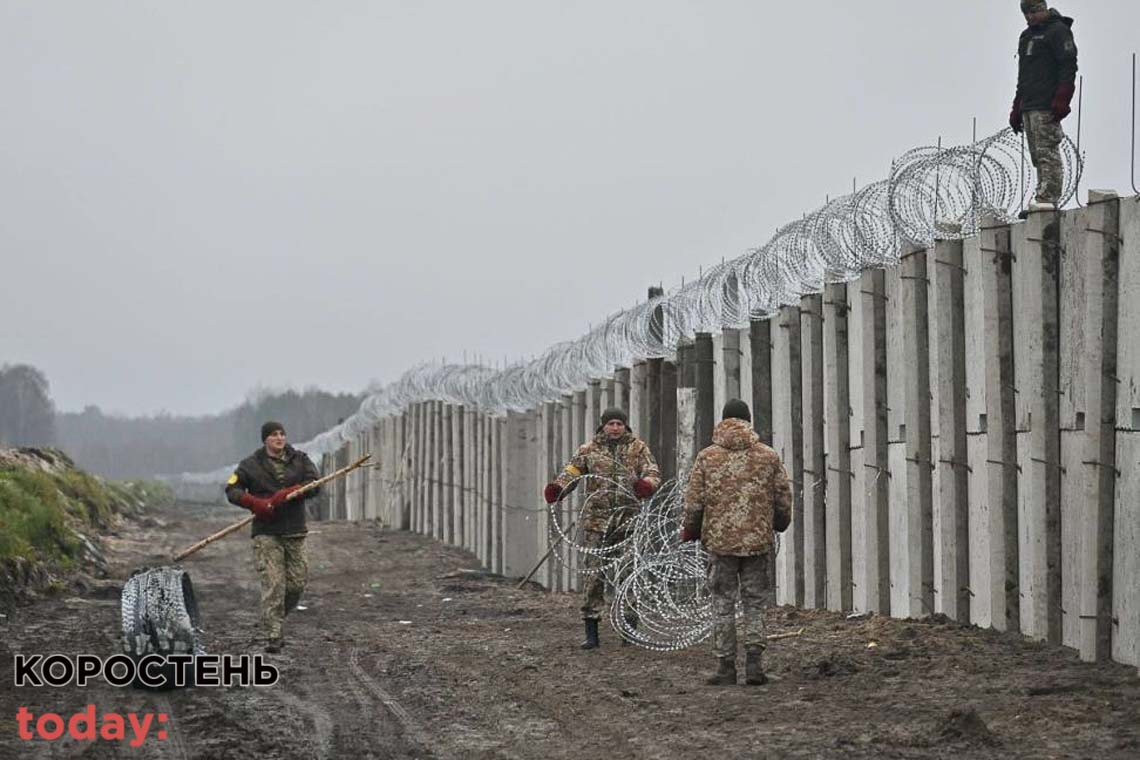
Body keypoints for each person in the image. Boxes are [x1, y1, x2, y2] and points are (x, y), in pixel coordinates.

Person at [681, 399, 792, 686]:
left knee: (722, 602)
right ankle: (754, 665)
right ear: (748, 421)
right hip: (757, 542)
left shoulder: (708, 457)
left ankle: (725, 666)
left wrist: (691, 530)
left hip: (719, 543)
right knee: (755, 603)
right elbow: (782, 496)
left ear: (723, 420)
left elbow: (694, 502)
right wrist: (778, 524)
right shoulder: (767, 455)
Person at [544, 408, 660, 649]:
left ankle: (629, 629)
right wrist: (558, 489)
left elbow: (652, 472)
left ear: (625, 425)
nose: (615, 428)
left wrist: (646, 485)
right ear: (603, 426)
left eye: (619, 423)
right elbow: (571, 473)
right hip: (597, 523)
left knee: (629, 574)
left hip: (628, 522)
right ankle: (591, 630)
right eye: (611, 423)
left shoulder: (638, 449)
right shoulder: (588, 451)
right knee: (593, 577)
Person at [224, 421, 321, 652]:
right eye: (274, 435)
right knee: (274, 583)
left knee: (296, 583)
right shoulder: (250, 465)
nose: (279, 438)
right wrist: (254, 503)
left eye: (282, 434)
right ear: (265, 439)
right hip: (266, 532)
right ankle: (274, 634)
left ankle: (275, 616)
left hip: (294, 530)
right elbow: (232, 490)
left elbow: (315, 483)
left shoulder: (300, 460)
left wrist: (290, 492)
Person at [1009, 1, 1078, 213]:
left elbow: (1068, 65)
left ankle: (1048, 198)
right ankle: (1042, 194)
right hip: (1030, 103)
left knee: (1047, 151)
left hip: (1047, 103)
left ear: (1042, 9)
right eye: (1026, 13)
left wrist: (1062, 98)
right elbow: (1024, 75)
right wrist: (1017, 105)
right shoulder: (1027, 37)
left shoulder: (1058, 31)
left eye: (1032, 12)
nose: (1029, 17)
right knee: (1037, 155)